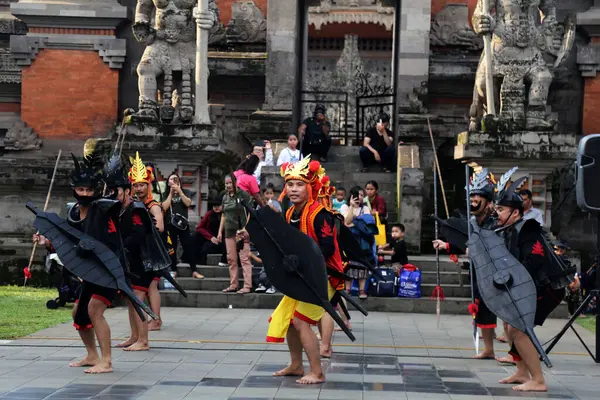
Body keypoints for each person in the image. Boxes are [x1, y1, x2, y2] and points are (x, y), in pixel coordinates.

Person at [34, 152, 121, 374]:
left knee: (94, 310)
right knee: (78, 313)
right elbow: (65, 240)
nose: (84, 194)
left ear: (95, 191)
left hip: (107, 271)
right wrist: (46, 240)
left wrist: (92, 247)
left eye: (88, 190)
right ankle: (92, 355)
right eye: (81, 190)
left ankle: (107, 360)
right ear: (75, 189)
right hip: (88, 272)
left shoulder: (103, 211)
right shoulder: (72, 211)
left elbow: (111, 243)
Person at [268, 156, 345, 384]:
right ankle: (296, 365)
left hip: (323, 277)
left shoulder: (320, 214)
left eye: (299, 184)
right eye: (290, 184)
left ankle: (317, 372)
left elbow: (327, 247)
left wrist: (300, 259)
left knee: (301, 321)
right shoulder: (291, 212)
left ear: (310, 187)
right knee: (290, 319)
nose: (293, 189)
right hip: (301, 277)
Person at [494, 168, 565, 392]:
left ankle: (538, 380)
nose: (497, 213)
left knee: (519, 330)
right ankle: (522, 372)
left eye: (501, 209)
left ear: (515, 213)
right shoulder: (508, 230)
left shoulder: (528, 229)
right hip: (531, 287)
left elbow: (533, 263)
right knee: (511, 324)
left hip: (547, 286)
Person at [432, 168, 498, 360]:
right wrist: (447, 245)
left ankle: (514, 351)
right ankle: (489, 349)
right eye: (472, 195)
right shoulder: (472, 222)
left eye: (478, 195)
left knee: (502, 314)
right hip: (477, 271)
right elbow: (464, 243)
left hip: (494, 271)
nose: (474, 199)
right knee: (480, 308)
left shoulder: (494, 222)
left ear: (487, 201)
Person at [104, 155, 153, 352]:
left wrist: (122, 244)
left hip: (142, 261)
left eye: (116, 191)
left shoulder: (136, 209)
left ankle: (144, 340)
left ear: (127, 191)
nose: (113, 195)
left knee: (138, 299)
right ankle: (135, 336)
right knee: (131, 300)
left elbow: (140, 236)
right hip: (129, 262)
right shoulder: (120, 211)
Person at [129, 152, 165, 331]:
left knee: (151, 285)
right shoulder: (134, 205)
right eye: (136, 185)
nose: (139, 188)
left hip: (154, 251)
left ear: (148, 185)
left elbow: (160, 226)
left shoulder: (153, 205)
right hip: (140, 252)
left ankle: (156, 320)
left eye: (142, 184)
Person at [218, 174, 255, 294]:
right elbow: (223, 214)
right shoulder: (225, 197)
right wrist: (219, 231)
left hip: (241, 231)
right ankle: (233, 284)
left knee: (244, 259)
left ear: (235, 183)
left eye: (230, 183)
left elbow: (250, 212)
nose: (228, 185)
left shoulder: (243, 195)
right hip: (229, 231)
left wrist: (246, 228)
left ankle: (247, 286)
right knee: (231, 259)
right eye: (226, 183)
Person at [340, 186, 377, 299]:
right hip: (349, 240)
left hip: (363, 242)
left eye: (361, 195)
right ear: (351, 196)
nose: (360, 197)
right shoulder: (345, 206)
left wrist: (354, 222)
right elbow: (346, 222)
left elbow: (368, 223)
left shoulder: (365, 208)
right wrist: (352, 207)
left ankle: (362, 290)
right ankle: (347, 289)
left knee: (362, 265)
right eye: (357, 195)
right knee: (348, 265)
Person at [161, 173, 197, 279]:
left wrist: (179, 191)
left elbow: (188, 203)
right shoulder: (166, 193)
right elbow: (164, 207)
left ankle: (194, 270)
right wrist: (171, 193)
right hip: (170, 224)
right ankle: (173, 270)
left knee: (188, 246)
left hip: (183, 224)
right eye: (171, 179)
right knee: (172, 248)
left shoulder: (185, 192)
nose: (173, 181)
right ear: (168, 182)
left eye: (175, 179)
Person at [195, 195, 227, 272]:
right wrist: (210, 237)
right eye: (214, 205)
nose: (216, 207)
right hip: (212, 239)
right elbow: (199, 227)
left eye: (218, 205)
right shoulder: (209, 214)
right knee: (204, 248)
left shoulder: (226, 214)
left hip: (225, 239)